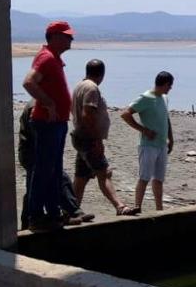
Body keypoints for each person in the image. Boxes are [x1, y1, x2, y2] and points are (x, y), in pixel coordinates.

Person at [22, 21, 77, 231]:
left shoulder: (54, 59)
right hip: (47, 123)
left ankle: (54, 215)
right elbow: (29, 82)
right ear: (53, 36)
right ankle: (36, 216)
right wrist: (49, 103)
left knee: (54, 170)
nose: (70, 39)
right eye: (66, 36)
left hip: (56, 123)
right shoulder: (46, 58)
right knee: (44, 170)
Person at [71, 59, 136, 216]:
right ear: (102, 74)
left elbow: (76, 111)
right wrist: (96, 140)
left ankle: (72, 209)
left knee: (81, 177)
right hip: (88, 139)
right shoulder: (92, 88)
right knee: (104, 172)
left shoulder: (79, 85)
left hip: (80, 136)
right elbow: (88, 114)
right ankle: (120, 206)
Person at [18, 101, 92, 230]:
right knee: (53, 180)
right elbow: (38, 135)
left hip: (36, 153)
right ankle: (69, 211)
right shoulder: (36, 106)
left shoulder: (40, 104)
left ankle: (68, 211)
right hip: (33, 154)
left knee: (37, 184)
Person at [122, 71, 175, 212]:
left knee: (159, 179)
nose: (170, 89)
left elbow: (166, 118)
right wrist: (143, 130)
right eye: (170, 86)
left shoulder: (164, 98)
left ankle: (159, 209)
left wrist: (171, 138)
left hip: (162, 144)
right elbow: (125, 114)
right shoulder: (146, 98)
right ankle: (137, 206)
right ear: (164, 84)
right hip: (148, 146)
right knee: (144, 177)